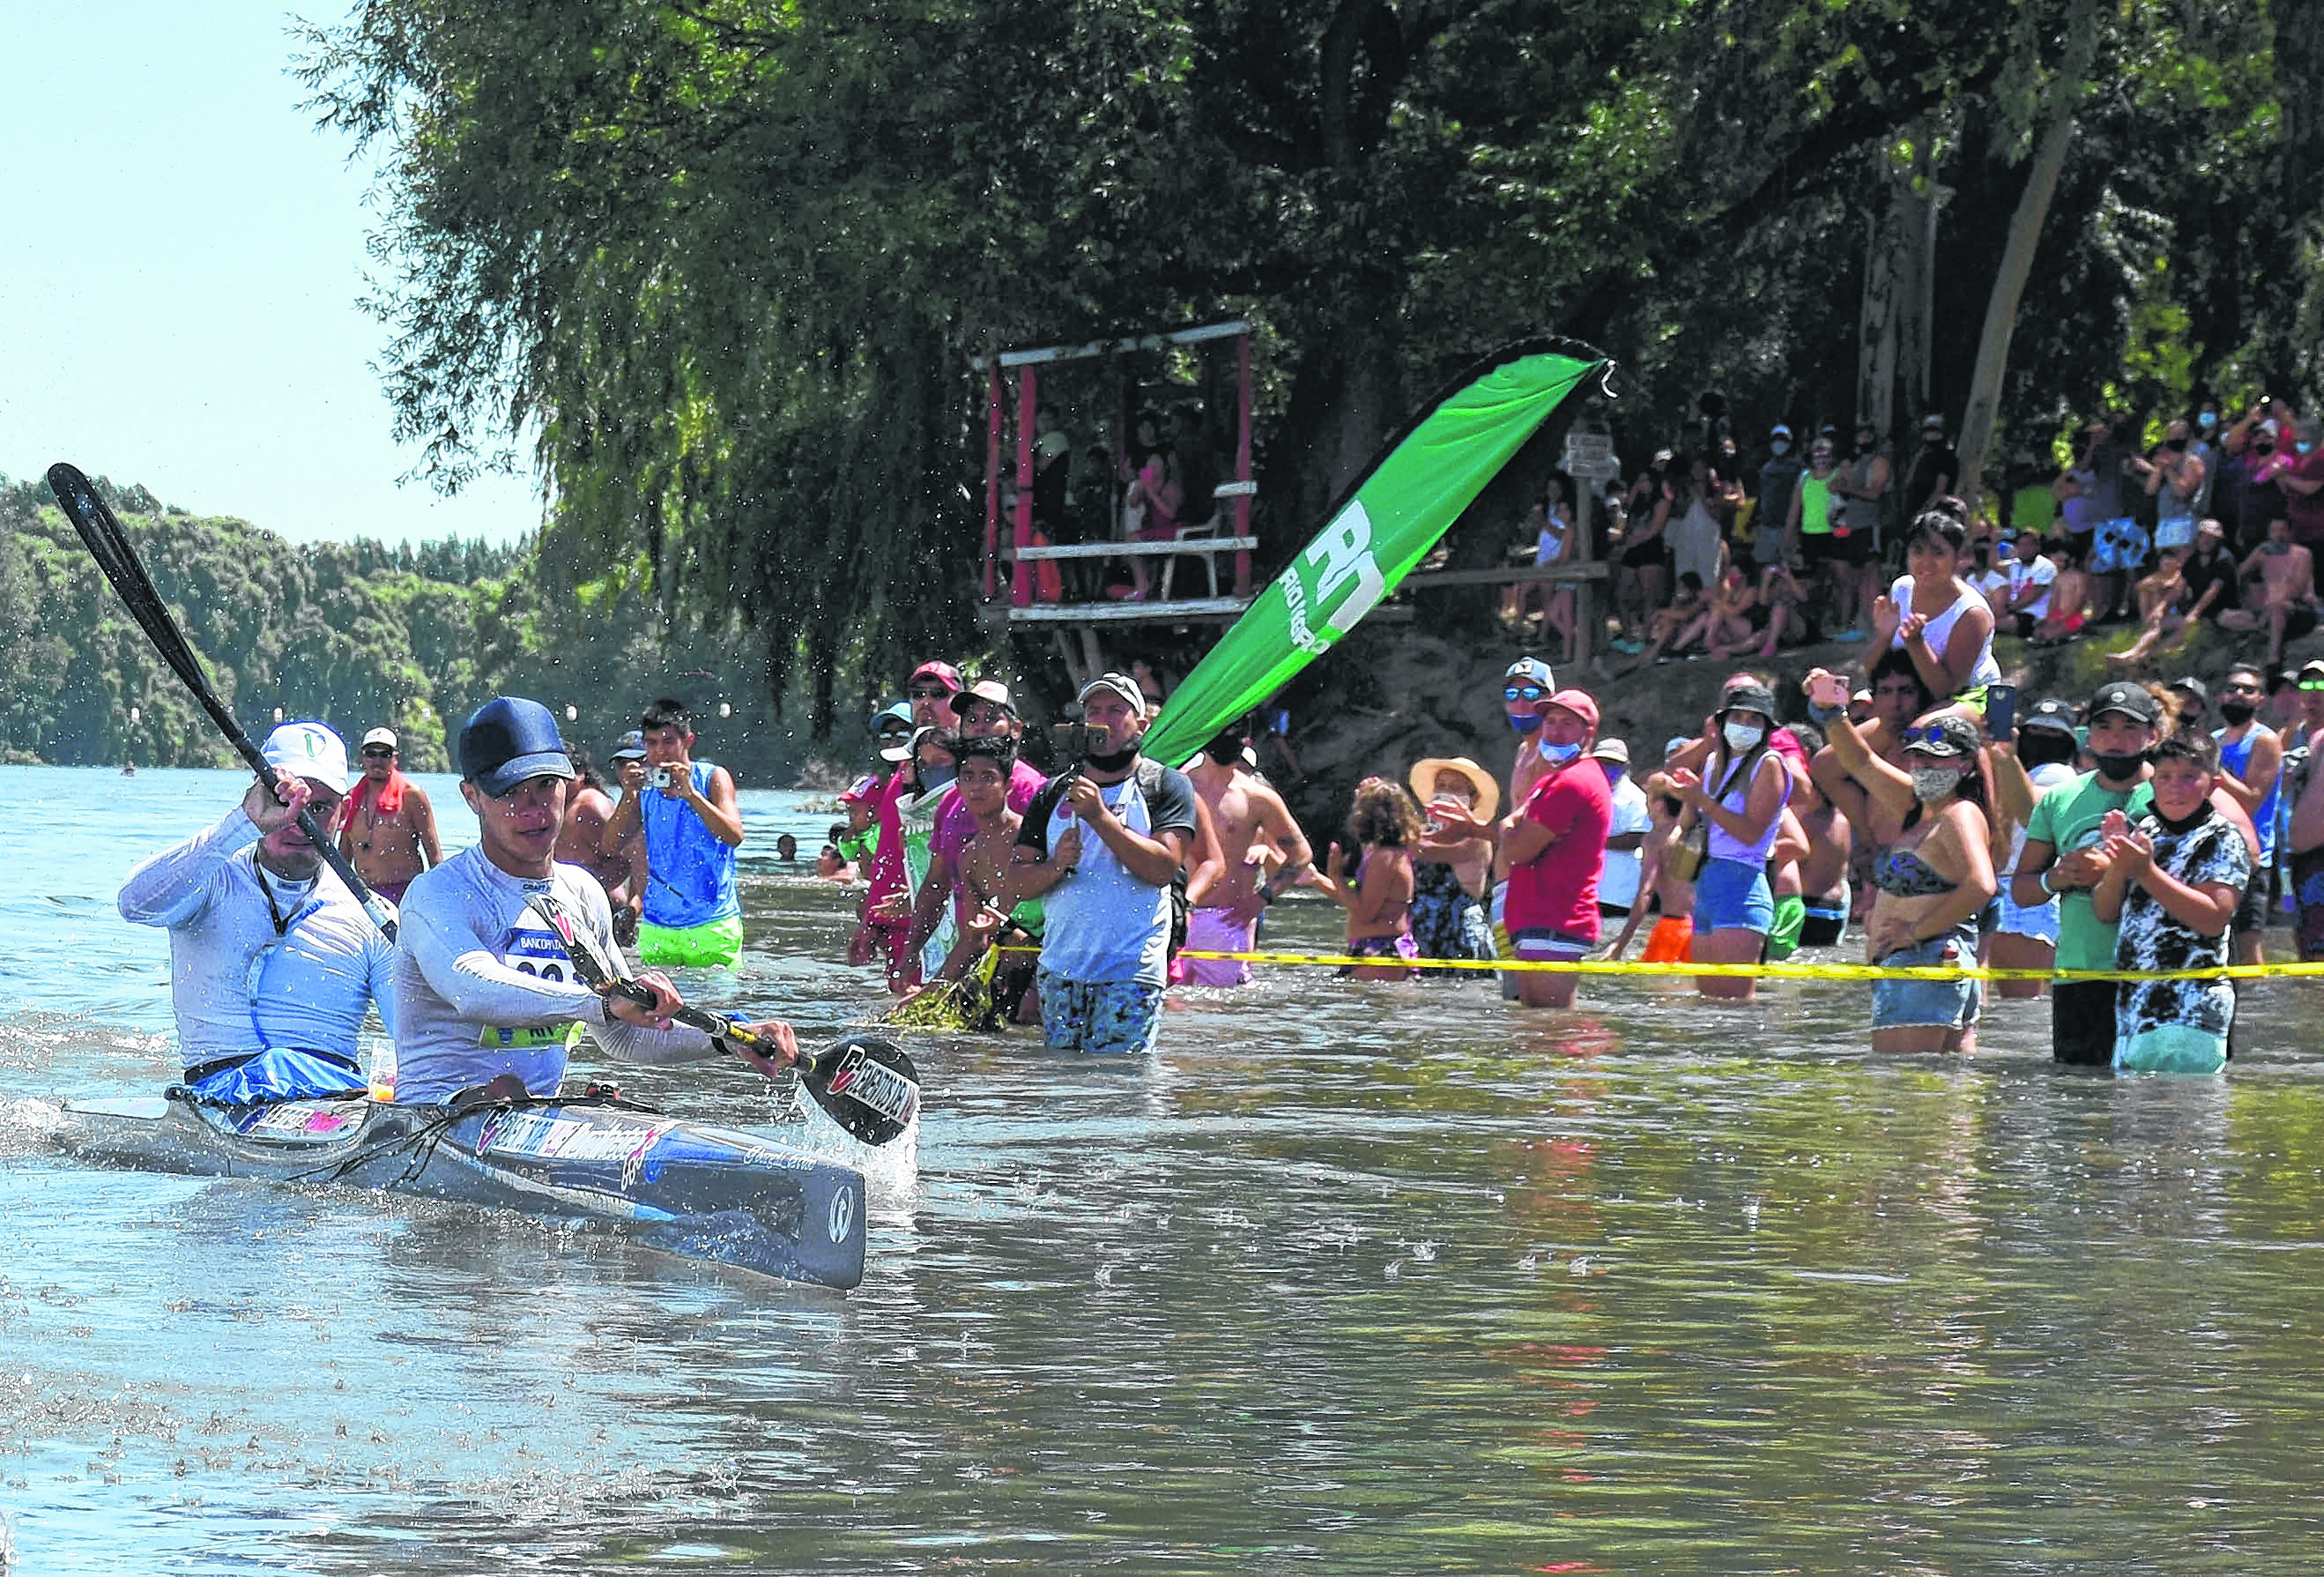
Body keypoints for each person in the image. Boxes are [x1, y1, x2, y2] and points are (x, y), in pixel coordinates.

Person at [391, 696, 796, 1105]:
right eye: (510, 791)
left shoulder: (582, 893)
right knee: (505, 1092)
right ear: (472, 797)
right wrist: (599, 1002)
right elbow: (471, 987)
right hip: (433, 1114)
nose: (534, 808)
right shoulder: (437, 893)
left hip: (535, 1112)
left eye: (546, 785)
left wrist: (729, 1037)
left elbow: (625, 1034)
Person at [119, 721, 396, 1103]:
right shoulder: (210, 878)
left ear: (344, 812)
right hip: (218, 1092)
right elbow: (133, 905)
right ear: (257, 796)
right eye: (284, 802)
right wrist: (240, 824)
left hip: (331, 1101)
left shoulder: (372, 916)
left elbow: (419, 1039)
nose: (298, 821)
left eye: (318, 808)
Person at [1002, 673, 1197, 1054]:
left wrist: (1100, 818)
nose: (1103, 720)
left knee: (1119, 1087)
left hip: (1130, 970)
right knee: (1066, 1091)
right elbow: (1017, 883)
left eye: (1115, 710)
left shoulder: (1166, 785)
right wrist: (1056, 865)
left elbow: (1163, 868)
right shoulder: (1053, 792)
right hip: (1061, 969)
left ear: (1141, 723)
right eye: (1094, 711)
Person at [1811, 687, 1995, 1052]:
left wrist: (1914, 931)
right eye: (1919, 759)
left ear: (1966, 764)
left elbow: (1982, 885)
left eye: (1938, 760)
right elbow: (1860, 762)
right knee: (1941, 1093)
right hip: (1923, 965)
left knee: (1904, 1090)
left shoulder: (1959, 813)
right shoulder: (1916, 806)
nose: (1926, 768)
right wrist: (1832, 712)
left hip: (1926, 960)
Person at [2013, 681, 2168, 1065]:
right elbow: (2023, 889)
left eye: (2129, 729)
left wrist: (2116, 870)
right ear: (2087, 737)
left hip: (2154, 973)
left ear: (2153, 735)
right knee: (2078, 1104)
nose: (2115, 740)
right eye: (2104, 728)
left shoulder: (2174, 794)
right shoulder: (2059, 799)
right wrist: (2056, 878)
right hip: (2079, 972)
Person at [2092, 731, 2248, 1072]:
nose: (2174, 786)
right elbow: (2105, 912)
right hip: (2134, 1008)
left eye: (2189, 777)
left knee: (2186, 1121)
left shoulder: (2223, 837)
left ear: (2213, 784)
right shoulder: (2146, 829)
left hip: (2192, 1011)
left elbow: (2213, 918)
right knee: (2134, 1121)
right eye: (2164, 777)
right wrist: (2119, 866)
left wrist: (2146, 871)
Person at [1483, 688, 1612, 1008]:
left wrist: (1508, 827)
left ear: (1588, 732)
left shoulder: (1572, 782)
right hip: (1540, 917)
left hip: (1555, 918)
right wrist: (1514, 828)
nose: (1554, 730)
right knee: (1535, 1031)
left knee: (1550, 1033)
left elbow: (1516, 851)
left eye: (1567, 723)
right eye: (1550, 721)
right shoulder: (1556, 779)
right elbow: (1519, 834)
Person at [598, 698, 746, 969]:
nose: (659, 752)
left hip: (712, 924)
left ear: (688, 740)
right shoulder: (643, 788)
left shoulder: (712, 777)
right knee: (656, 1010)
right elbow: (609, 846)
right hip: (658, 927)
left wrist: (691, 795)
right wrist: (629, 795)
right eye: (651, 743)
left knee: (717, 1007)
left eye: (668, 742)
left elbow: (734, 836)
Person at [1667, 681, 1791, 1000]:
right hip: (1708, 883)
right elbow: (1694, 822)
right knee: (1708, 1003)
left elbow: (1751, 833)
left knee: (1735, 1008)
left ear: (1766, 728)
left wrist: (1703, 800)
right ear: (1722, 722)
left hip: (1743, 885)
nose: (1745, 726)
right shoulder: (1712, 763)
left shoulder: (1770, 764)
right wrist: (1688, 798)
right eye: (1738, 718)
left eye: (1754, 720)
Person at [1185, 715, 1313, 986]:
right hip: (1177, 914)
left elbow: (1300, 854)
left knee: (1222, 1016)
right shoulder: (1178, 787)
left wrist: (1263, 897)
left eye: (1237, 733)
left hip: (1225, 920)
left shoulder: (1257, 798)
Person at [858, 668, 959, 985]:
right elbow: (888, 858)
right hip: (905, 931)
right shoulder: (901, 778)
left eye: (939, 694)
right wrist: (870, 921)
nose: (926, 702)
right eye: (918, 694)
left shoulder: (980, 775)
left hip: (958, 936)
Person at [1986, 698, 2083, 999]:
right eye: (2037, 731)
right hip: (2016, 891)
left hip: (2026, 898)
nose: (2043, 740)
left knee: (2022, 1006)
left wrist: (2006, 760)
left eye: (2053, 734)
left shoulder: (2058, 775)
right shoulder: (2020, 771)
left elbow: (2032, 810)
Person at [1302, 779, 1424, 980]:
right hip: (1368, 946)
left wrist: (1336, 876)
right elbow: (1358, 904)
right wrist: (1317, 880)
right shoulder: (1377, 852)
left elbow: (1366, 914)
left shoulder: (1386, 857)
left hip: (1382, 949)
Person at [1874, 508, 2001, 700]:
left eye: (1938, 553)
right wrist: (1884, 637)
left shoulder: (1972, 613)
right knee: (1854, 707)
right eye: (1918, 551)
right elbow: (1872, 672)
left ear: (1958, 558)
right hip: (1909, 692)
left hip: (1969, 697)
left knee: (1922, 729)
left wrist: (1916, 643)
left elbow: (1946, 691)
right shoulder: (1901, 589)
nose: (1926, 562)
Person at [2209, 664, 2282, 968]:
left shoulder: (2265, 741)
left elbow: (2251, 799)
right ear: (2220, 698)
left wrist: (2212, 769)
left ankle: (2259, 1013)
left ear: (2260, 700)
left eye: (2248, 690)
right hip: (2213, 852)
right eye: (2233, 689)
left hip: (2253, 855)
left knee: (2248, 943)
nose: (2239, 695)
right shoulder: (2213, 740)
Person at [1407, 755, 1498, 965]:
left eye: (1456, 788)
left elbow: (1426, 852)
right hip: (1419, 933)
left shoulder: (1476, 838)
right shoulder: (1420, 832)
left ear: (1473, 799)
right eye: (1441, 786)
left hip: (1459, 936)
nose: (1447, 793)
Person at [335, 726, 442, 904]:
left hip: (405, 893)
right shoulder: (351, 798)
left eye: (384, 754)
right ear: (363, 758)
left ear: (395, 758)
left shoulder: (412, 796)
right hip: (365, 895)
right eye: (371, 754)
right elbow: (343, 856)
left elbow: (435, 857)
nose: (377, 760)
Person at [2220, 515, 2319, 666]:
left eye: (2282, 530)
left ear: (2290, 532)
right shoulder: (2264, 554)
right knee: (2224, 617)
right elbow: (2239, 573)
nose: (2278, 535)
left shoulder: (2302, 553)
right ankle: (2260, 627)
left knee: (2276, 608)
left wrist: (2272, 606)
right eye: (2274, 530)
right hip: (2267, 610)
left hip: (2296, 607)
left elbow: (2298, 589)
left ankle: (2273, 657)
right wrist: (2256, 553)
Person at [553, 748, 635, 919]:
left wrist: (588, 891)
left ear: (581, 773)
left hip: (604, 910)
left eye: (561, 777)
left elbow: (630, 858)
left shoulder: (590, 803)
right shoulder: (560, 806)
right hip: (575, 908)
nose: (556, 784)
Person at [1591, 739, 1652, 934]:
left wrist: (1593, 841)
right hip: (1592, 891)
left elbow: (1639, 837)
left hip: (1617, 893)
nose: (1606, 767)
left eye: (1613, 763)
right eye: (1602, 762)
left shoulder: (1635, 798)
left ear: (1626, 766)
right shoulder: (1591, 791)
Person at [602, 731, 650, 945]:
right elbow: (610, 847)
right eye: (622, 763)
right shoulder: (626, 804)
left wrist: (632, 909)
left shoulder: (671, 799)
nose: (630, 769)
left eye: (640, 761)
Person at [1756, 424, 1805, 570]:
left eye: (1783, 440)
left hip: (1789, 528)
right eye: (1776, 439)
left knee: (1788, 569)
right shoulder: (1766, 468)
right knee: (1765, 568)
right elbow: (1762, 495)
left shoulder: (1798, 468)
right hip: (1767, 526)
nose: (1779, 443)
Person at [2001, 529, 2058, 639]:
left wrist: (2006, 609)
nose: (2024, 549)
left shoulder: (2045, 567)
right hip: (2014, 610)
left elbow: (2032, 596)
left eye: (2028, 545)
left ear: (2037, 547)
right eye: (2020, 545)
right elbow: (1993, 565)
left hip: (2033, 615)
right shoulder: (2015, 564)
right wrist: (1994, 541)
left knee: (1996, 622)